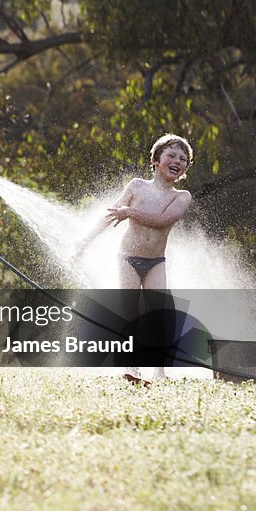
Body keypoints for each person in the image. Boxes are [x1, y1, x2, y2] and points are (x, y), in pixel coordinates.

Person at [73, 133, 193, 383]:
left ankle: (159, 371)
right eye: (171, 155)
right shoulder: (137, 186)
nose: (177, 161)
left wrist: (130, 212)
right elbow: (110, 215)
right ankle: (132, 367)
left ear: (184, 169)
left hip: (156, 262)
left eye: (183, 159)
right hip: (127, 258)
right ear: (156, 160)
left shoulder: (181, 196)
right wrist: (84, 242)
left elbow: (162, 222)